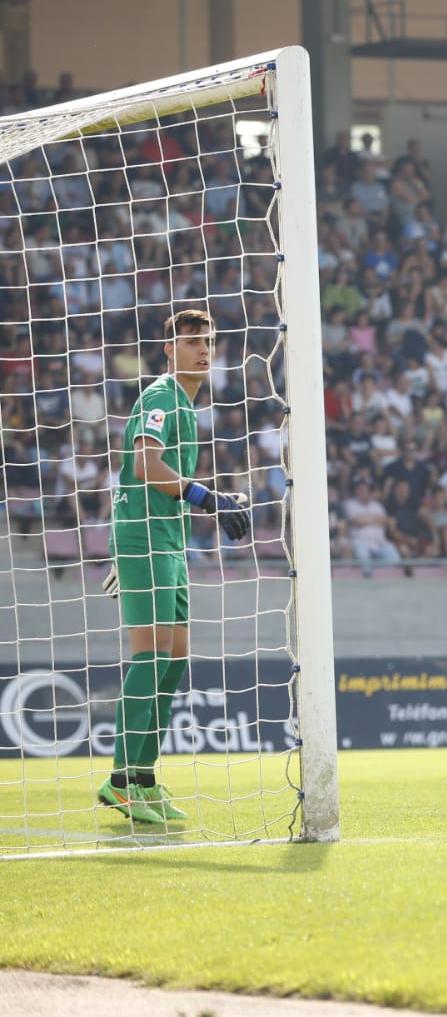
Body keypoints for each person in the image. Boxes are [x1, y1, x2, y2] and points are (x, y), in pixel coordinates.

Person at [99, 310, 252, 824]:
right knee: (150, 657)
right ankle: (120, 779)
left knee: (175, 660)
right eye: (192, 342)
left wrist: (212, 499)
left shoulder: (188, 405)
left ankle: (144, 778)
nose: (203, 350)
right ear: (170, 349)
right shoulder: (163, 396)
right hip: (145, 538)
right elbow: (145, 465)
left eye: (208, 342)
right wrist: (207, 496)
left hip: (167, 540)